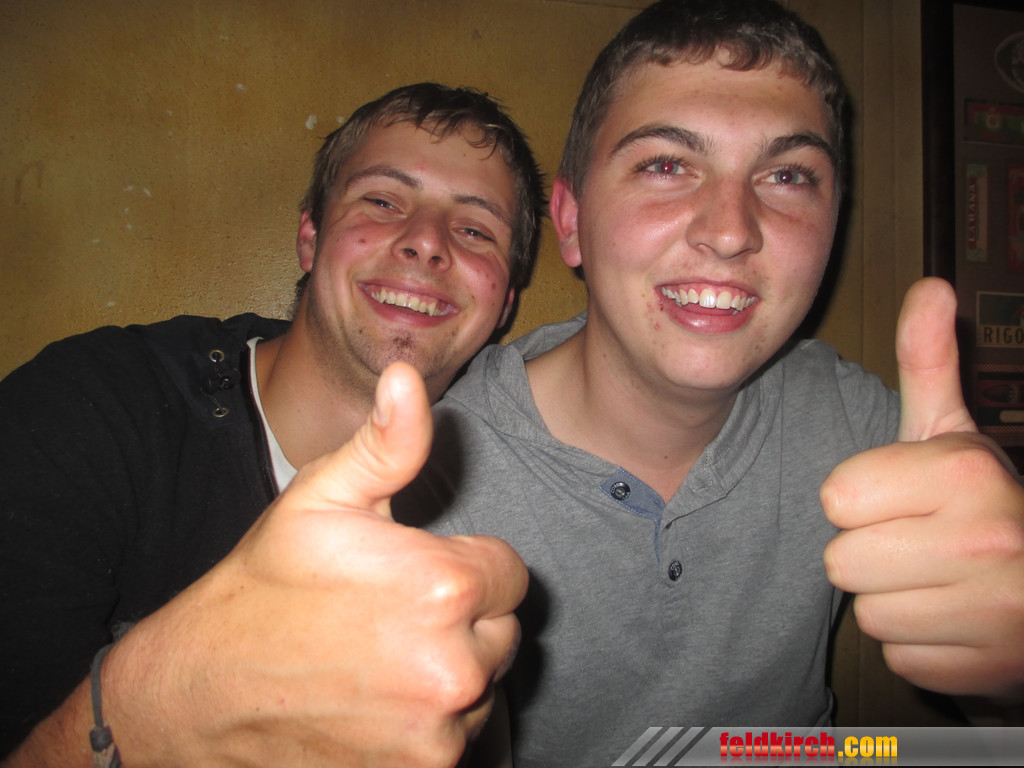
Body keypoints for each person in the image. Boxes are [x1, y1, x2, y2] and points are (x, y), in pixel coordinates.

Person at [394, 1, 1024, 765]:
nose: (730, 230)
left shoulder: (855, 420)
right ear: (571, 220)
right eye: (666, 165)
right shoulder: (429, 479)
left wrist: (1009, 685)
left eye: (787, 176)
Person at [0, 82, 545, 767]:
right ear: (310, 238)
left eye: (475, 230)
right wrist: (158, 712)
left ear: (504, 305)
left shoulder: (504, 492)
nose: (426, 243)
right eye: (382, 201)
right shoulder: (91, 410)